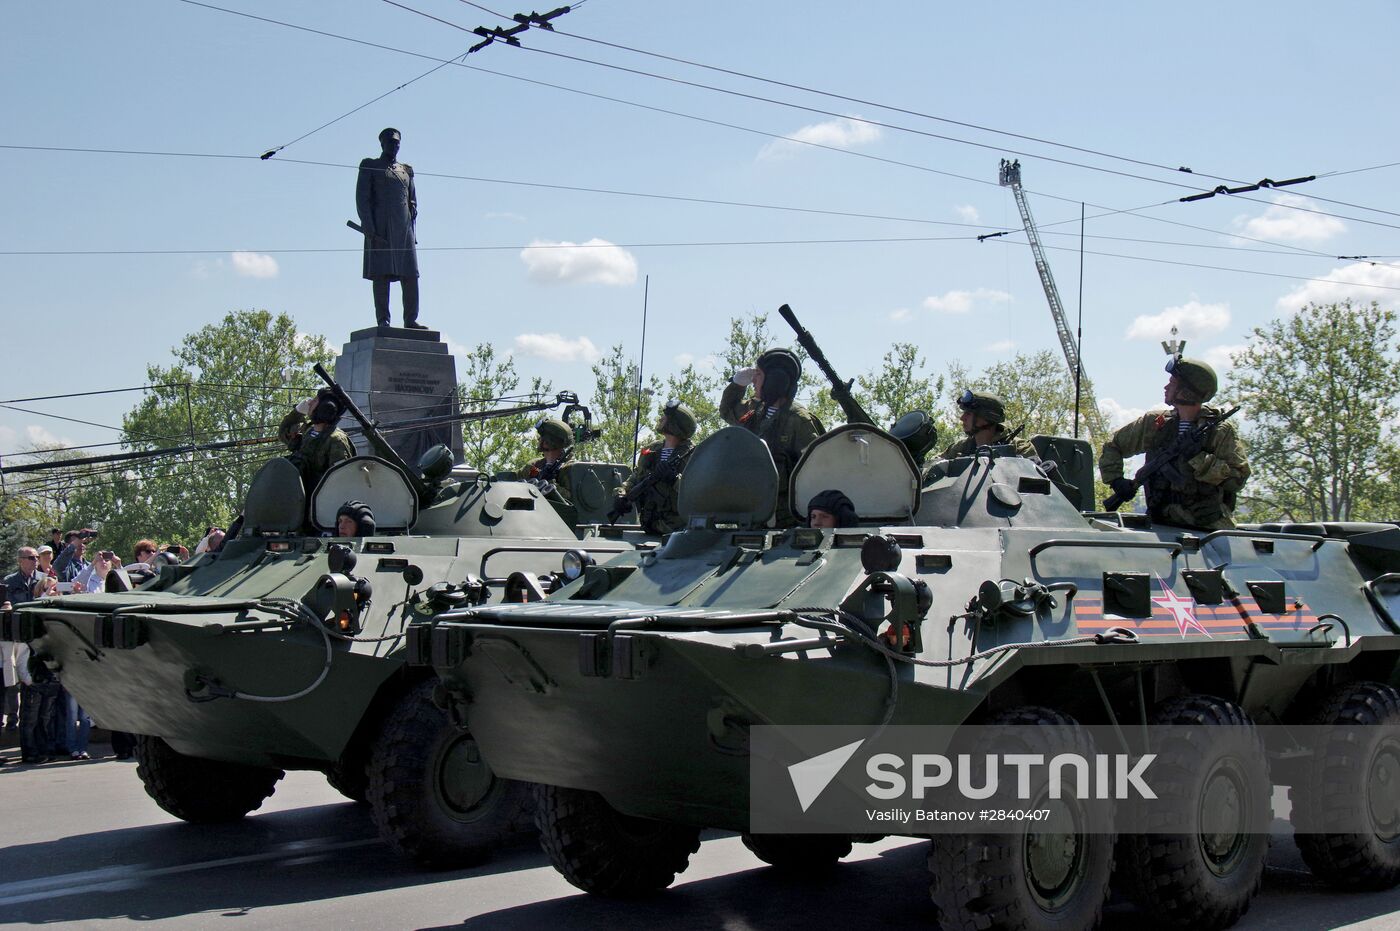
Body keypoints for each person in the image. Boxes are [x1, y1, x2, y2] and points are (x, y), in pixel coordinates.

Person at [1099, 355, 1250, 530]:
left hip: (1208, 528)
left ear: (1187, 391)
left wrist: (1199, 459)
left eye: (1172, 383)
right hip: (1159, 524)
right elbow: (1113, 445)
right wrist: (1116, 480)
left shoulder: (1219, 431)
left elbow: (1238, 479)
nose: (1166, 387)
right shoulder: (1155, 424)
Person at [720, 348, 824, 527]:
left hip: (786, 519)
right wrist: (737, 385)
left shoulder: (798, 420)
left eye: (759, 375)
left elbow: (816, 471)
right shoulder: (755, 411)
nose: (753, 380)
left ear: (774, 380)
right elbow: (727, 411)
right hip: (751, 513)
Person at [356, 127, 424, 329]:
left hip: (404, 229)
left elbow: (412, 200)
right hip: (381, 228)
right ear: (382, 144)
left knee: (410, 275)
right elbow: (362, 198)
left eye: (397, 143)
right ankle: (383, 319)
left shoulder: (406, 170)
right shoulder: (370, 166)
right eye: (390, 142)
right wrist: (369, 225)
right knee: (382, 275)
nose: (394, 146)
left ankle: (410, 319)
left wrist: (413, 213)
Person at [608, 401, 697, 534]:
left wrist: (674, 480)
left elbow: (698, 494)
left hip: (677, 532)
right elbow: (636, 477)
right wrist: (621, 494)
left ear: (674, 425)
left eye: (665, 418)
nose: (660, 419)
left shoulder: (693, 455)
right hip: (648, 527)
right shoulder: (652, 449)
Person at [280, 388, 356, 494]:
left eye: (315, 400)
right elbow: (283, 433)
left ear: (324, 407)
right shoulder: (308, 431)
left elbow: (342, 481)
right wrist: (297, 412)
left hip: (315, 499)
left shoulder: (336, 440)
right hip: (296, 494)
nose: (310, 402)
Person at [938, 390, 1036, 460]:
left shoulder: (1019, 447)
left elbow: (1034, 478)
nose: (962, 418)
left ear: (986, 418)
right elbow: (934, 466)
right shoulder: (960, 448)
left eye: (968, 413)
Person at [524, 417, 575, 500]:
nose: (538, 439)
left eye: (541, 437)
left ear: (547, 442)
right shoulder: (534, 465)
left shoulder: (569, 469)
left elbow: (572, 499)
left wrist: (550, 483)